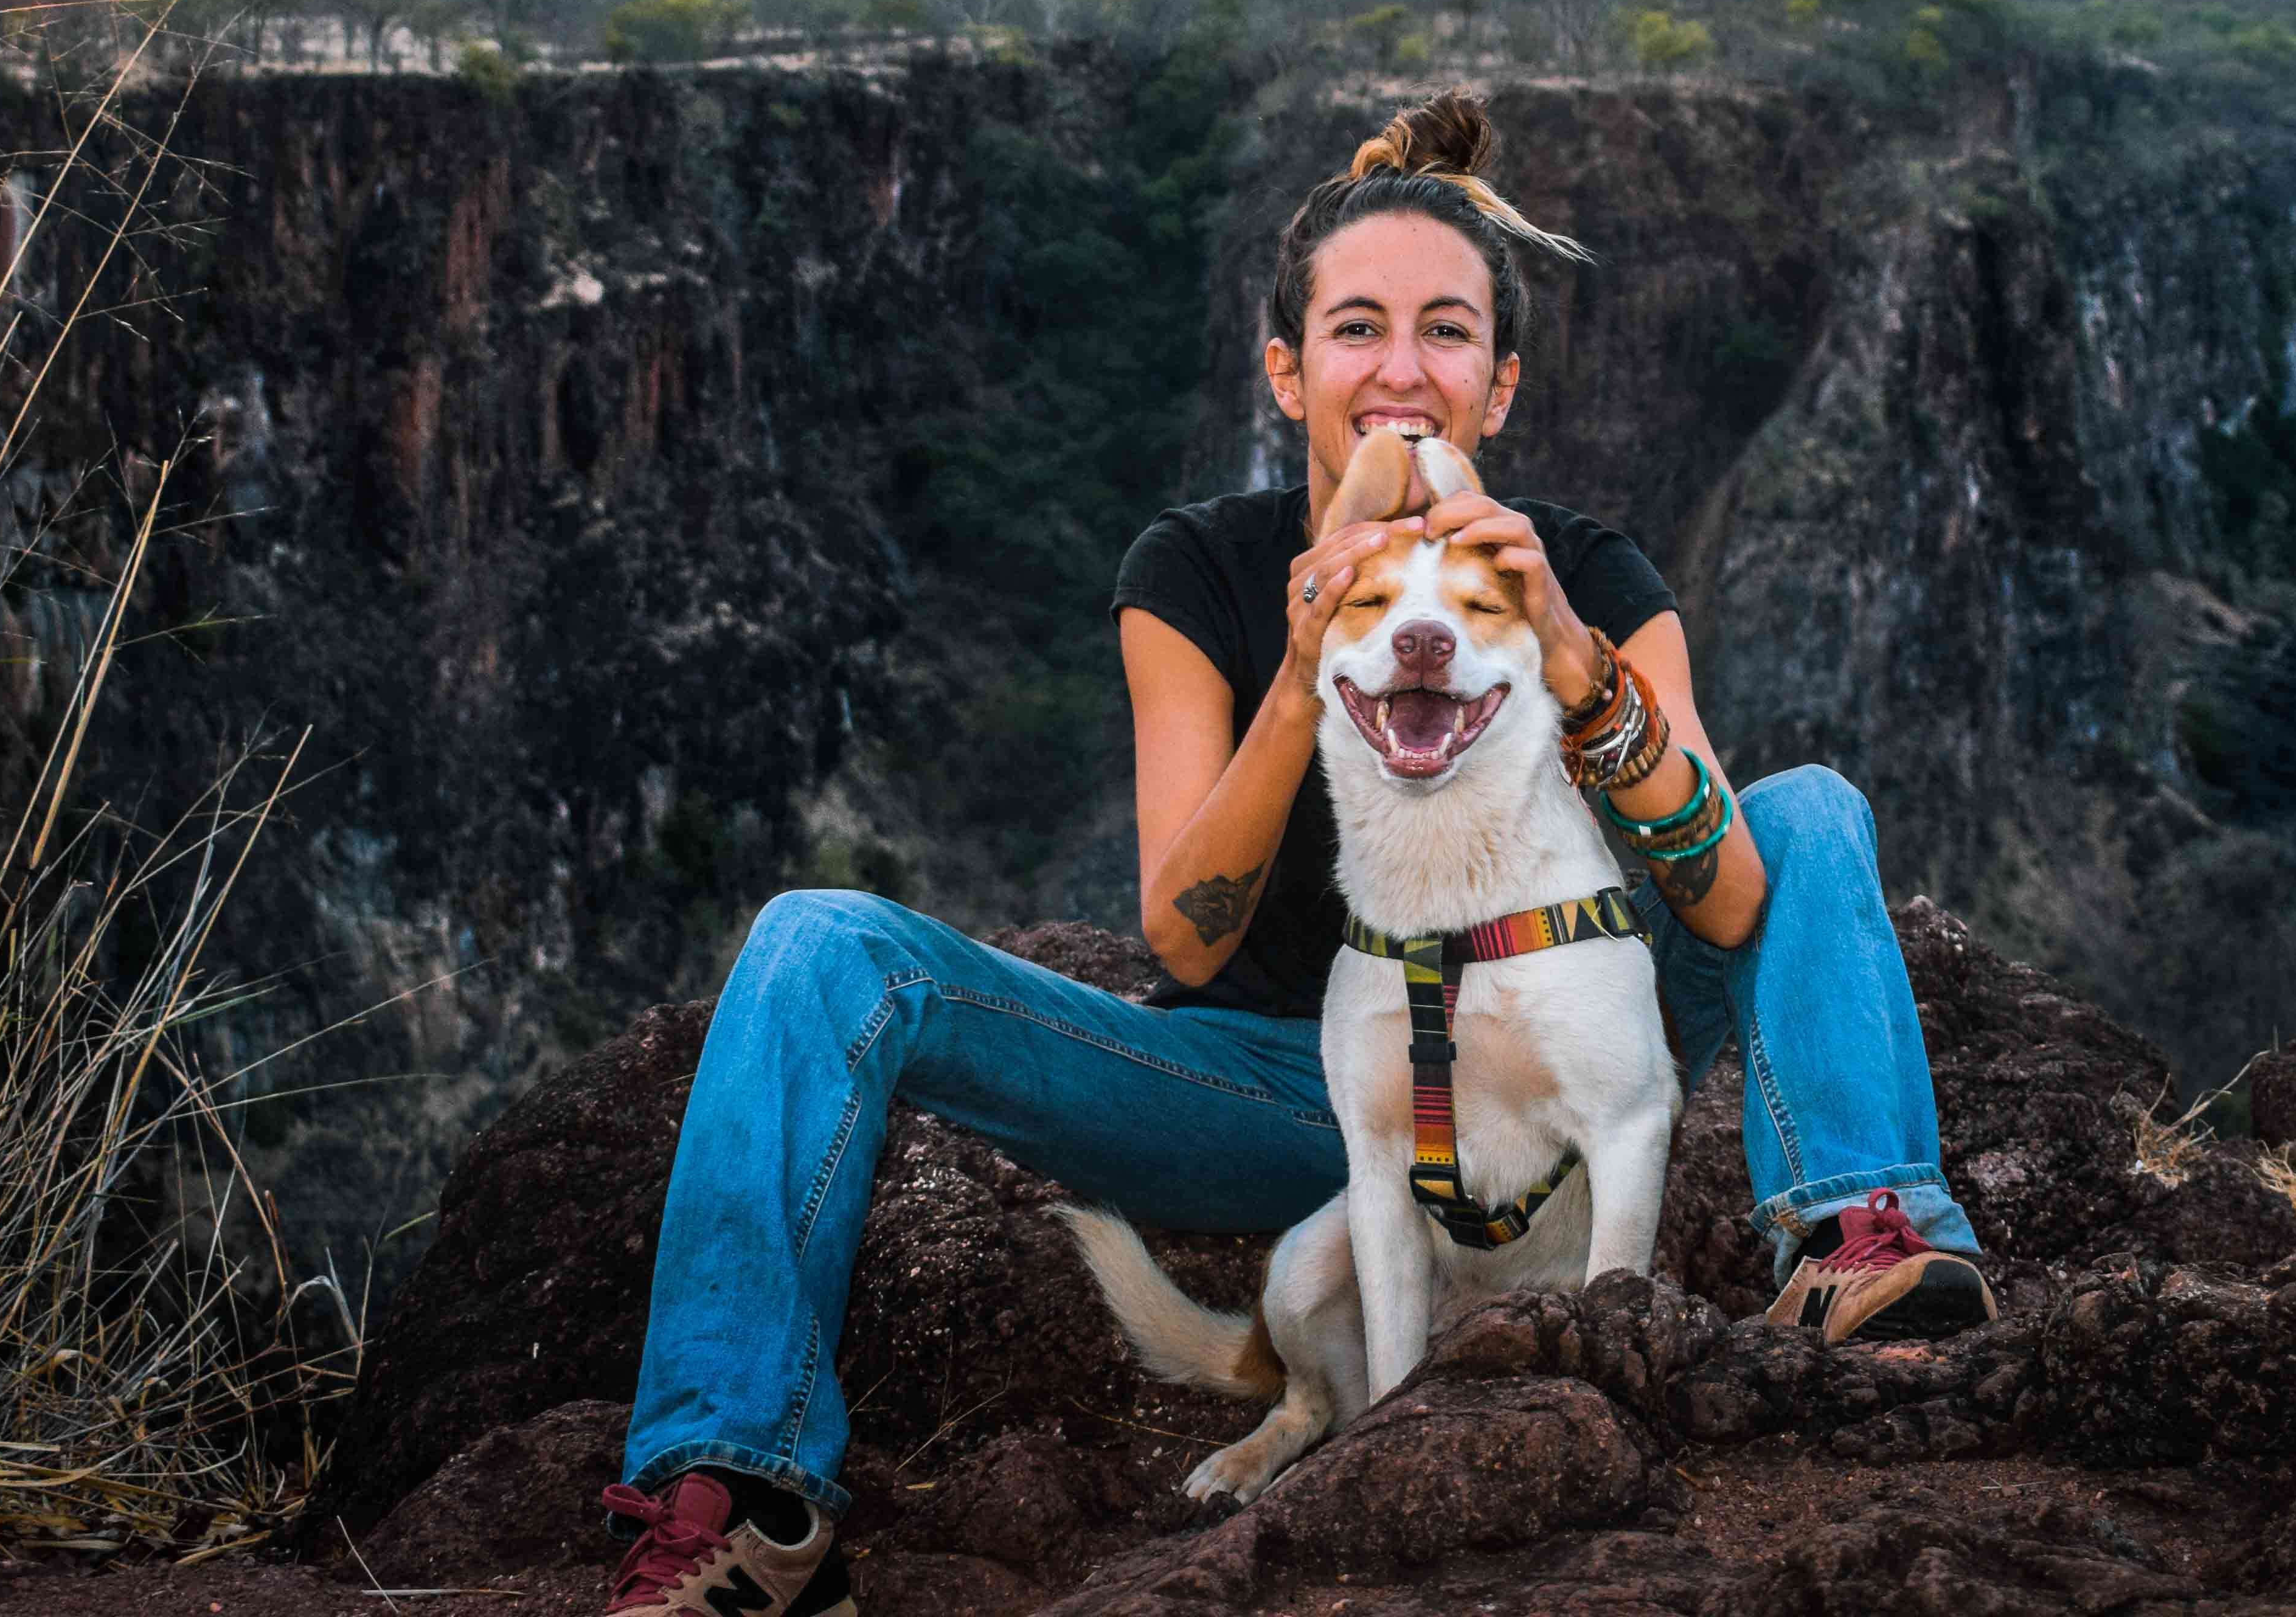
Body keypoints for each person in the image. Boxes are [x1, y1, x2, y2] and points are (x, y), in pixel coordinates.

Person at [598, 91, 1991, 1617]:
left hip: (1568, 1026)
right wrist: (1307, 643)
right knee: (819, 940)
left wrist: (1583, 665)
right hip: (1271, 1090)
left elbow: (1729, 895)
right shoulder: (1192, 567)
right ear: (1287, 369)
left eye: (1449, 333)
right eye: (1358, 330)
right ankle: (733, 1487)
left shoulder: (1581, 570)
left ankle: (1860, 1235)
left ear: (1502, 385)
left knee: (1804, 808)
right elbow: (1186, 934)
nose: (1403, 370)